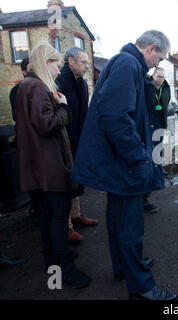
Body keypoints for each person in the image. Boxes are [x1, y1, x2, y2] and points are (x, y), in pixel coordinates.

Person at [71, 30, 177, 300]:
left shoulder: (124, 63)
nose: (157, 65)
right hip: (125, 162)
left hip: (117, 161)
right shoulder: (128, 64)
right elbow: (116, 116)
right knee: (130, 225)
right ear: (151, 48)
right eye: (159, 58)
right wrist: (138, 157)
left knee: (118, 218)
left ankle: (124, 266)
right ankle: (141, 286)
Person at [14, 41, 91, 288]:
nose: (58, 71)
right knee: (58, 218)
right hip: (50, 168)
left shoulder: (27, 86)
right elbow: (47, 124)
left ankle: (52, 260)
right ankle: (64, 269)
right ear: (45, 63)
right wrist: (64, 107)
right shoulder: (37, 87)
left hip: (39, 168)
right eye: (56, 65)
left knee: (48, 217)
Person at [56, 47, 98, 243]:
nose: (86, 66)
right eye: (83, 62)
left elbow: (84, 111)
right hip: (65, 141)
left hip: (79, 139)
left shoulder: (81, 82)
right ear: (70, 61)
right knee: (66, 183)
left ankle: (76, 215)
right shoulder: (60, 81)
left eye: (87, 63)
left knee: (76, 180)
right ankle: (67, 227)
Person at [9, 58, 42, 219]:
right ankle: (35, 207)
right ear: (23, 71)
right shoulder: (18, 90)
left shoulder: (38, 88)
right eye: (29, 69)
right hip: (28, 139)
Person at [143, 67, 171, 214]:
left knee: (157, 152)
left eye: (162, 77)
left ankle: (158, 171)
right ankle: (143, 197)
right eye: (158, 76)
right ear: (153, 76)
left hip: (160, 124)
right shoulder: (147, 86)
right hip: (147, 125)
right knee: (148, 158)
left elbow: (166, 103)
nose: (160, 79)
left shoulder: (166, 87)